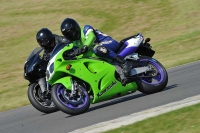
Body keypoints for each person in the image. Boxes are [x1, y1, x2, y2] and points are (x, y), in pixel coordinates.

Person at [60, 18, 133, 76]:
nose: (69, 36)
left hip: (110, 43)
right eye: (67, 35)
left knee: (96, 49)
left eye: (70, 33)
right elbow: (78, 55)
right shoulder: (75, 43)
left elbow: (92, 37)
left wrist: (85, 46)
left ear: (75, 28)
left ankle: (124, 63)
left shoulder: (85, 29)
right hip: (100, 51)